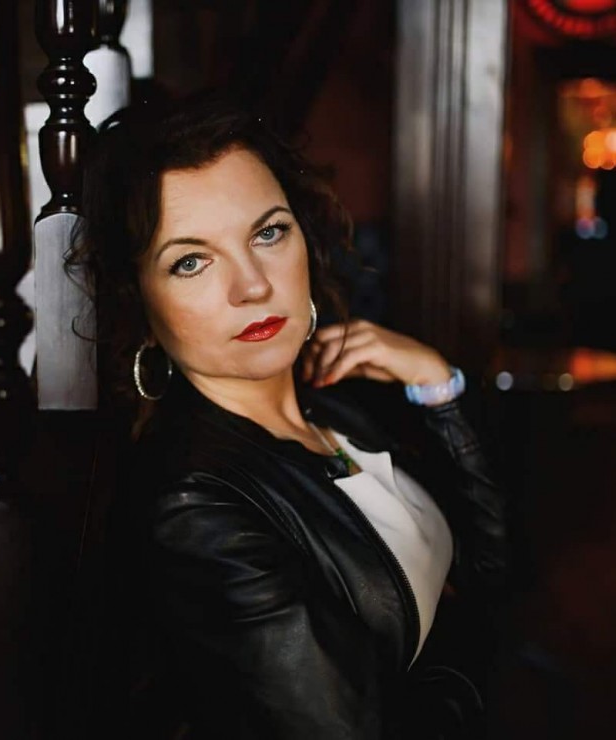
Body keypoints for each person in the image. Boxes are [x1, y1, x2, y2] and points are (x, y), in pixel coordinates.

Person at [73, 93, 508, 740]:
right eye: (190, 261)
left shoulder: (336, 409)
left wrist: (436, 387)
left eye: (268, 232)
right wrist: (479, 674)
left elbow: (491, 569)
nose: (252, 284)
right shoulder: (192, 507)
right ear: (138, 300)